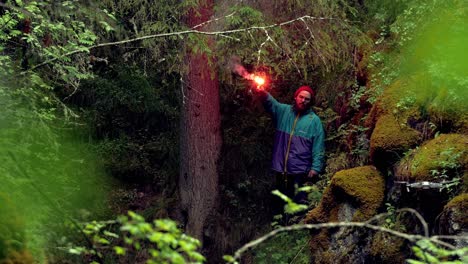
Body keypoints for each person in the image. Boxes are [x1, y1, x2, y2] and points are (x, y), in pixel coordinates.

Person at [257, 85, 325, 205]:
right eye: (301, 97)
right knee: (280, 200)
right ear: (295, 97)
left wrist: (315, 168)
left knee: (298, 203)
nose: (303, 101)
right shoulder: (284, 111)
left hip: (300, 171)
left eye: (307, 99)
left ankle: (295, 222)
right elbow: (270, 103)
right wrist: (261, 92)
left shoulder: (314, 121)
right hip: (281, 168)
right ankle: (281, 222)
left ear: (310, 102)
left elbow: (318, 146)